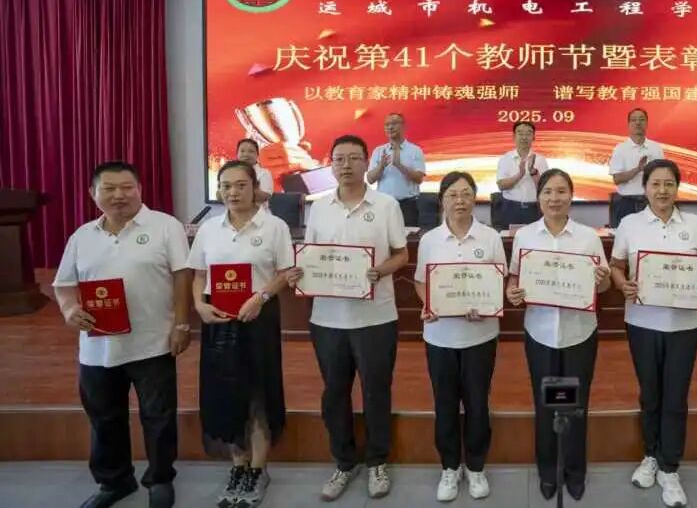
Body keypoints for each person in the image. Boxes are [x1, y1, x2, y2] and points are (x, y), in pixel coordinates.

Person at [53, 161, 191, 508]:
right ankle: (114, 481)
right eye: (109, 188)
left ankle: (160, 479)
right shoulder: (82, 236)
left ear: (140, 189)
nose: (119, 195)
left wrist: (181, 324)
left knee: (158, 418)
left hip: (153, 343)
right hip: (98, 347)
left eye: (127, 187)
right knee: (104, 418)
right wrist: (69, 310)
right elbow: (64, 285)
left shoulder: (165, 226)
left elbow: (182, 277)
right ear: (93, 193)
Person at [610, 159, 697, 508]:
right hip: (642, 323)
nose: (662, 191)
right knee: (650, 394)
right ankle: (650, 455)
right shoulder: (629, 224)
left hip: (684, 326)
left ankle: (670, 467)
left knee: (675, 396)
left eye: (669, 184)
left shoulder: (693, 224)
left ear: (678, 188)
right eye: (655, 184)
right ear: (645, 188)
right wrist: (623, 285)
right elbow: (616, 266)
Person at [301, 134, 409, 502]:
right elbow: (312, 255)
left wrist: (379, 271)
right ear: (330, 164)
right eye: (339, 159)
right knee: (334, 393)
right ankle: (344, 462)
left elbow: (401, 255)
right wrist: (302, 272)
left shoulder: (386, 205)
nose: (346, 165)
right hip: (328, 319)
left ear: (367, 163)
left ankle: (377, 461)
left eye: (353, 158)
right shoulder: (319, 208)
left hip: (375, 317)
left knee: (376, 391)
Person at [187, 160, 298, 508]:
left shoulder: (275, 226)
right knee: (225, 392)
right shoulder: (209, 229)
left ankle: (258, 470)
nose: (232, 192)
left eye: (240, 185)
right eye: (225, 186)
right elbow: (198, 275)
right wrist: (199, 305)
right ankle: (238, 465)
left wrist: (260, 297)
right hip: (218, 320)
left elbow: (286, 272)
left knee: (258, 393)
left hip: (258, 317)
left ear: (255, 188)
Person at [506, 169, 611, 501]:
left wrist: (601, 281)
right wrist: (512, 292)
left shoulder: (588, 237)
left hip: (579, 334)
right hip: (540, 334)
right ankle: (548, 471)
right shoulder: (525, 237)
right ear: (539, 197)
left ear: (571, 196)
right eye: (548, 191)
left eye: (561, 191)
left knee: (575, 404)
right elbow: (514, 279)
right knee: (546, 404)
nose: (555, 198)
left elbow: (604, 284)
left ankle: (575, 471)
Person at [413, 171, 506, 502]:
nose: (460, 200)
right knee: (445, 403)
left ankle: (476, 466)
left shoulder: (490, 237)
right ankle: (450, 466)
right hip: (440, 337)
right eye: (452, 194)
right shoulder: (429, 240)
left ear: (475, 198)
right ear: (442, 200)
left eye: (466, 194)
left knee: (478, 402)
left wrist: (487, 304)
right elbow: (421, 281)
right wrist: (429, 302)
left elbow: (499, 281)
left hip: (481, 335)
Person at [366, 112, 427, 226]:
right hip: (383, 205)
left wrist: (399, 165)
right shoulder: (378, 151)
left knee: (408, 236)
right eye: (387, 124)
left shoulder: (415, 150)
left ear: (403, 126)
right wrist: (381, 166)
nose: (390, 127)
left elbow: (419, 179)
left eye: (394, 123)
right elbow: (370, 179)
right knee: (382, 235)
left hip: (407, 206)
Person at [609, 108, 664, 227]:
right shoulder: (620, 149)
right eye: (634, 120)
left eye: (641, 119)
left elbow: (662, 176)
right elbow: (617, 179)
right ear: (629, 124)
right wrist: (638, 169)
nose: (638, 123)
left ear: (647, 123)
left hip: (651, 203)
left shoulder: (656, 148)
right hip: (626, 203)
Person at [495, 121, 548, 227]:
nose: (524, 137)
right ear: (514, 137)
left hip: (534, 208)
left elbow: (544, 189)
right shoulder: (505, 158)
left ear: (533, 137)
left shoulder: (541, 160)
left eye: (528, 133)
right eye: (520, 133)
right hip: (510, 208)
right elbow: (501, 186)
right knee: (510, 237)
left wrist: (533, 173)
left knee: (535, 237)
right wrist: (520, 175)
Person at [236, 138, 275, 206]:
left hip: (258, 211)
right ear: (237, 154)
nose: (246, 154)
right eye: (242, 151)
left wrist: (235, 193)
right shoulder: (230, 171)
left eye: (251, 151)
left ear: (257, 155)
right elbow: (219, 194)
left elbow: (266, 196)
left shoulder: (264, 173)